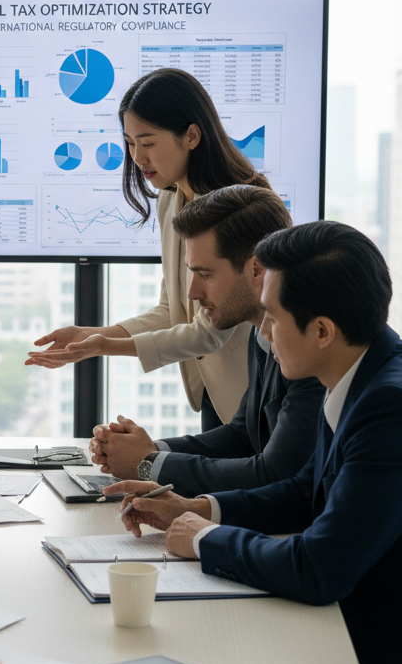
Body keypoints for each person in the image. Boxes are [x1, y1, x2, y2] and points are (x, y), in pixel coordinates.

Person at [115, 222, 402, 664]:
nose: (264, 333)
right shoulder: (356, 374)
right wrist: (201, 508)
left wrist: (203, 541)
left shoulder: (390, 405)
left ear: (322, 330)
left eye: (272, 317)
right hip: (342, 637)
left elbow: (320, 567)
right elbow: (307, 492)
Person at [27, 67, 273, 430]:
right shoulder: (170, 200)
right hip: (212, 392)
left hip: (251, 392)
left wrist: (101, 347)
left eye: (148, 142)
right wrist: (92, 333)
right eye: (129, 142)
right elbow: (171, 310)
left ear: (191, 135)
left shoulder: (236, 210)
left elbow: (207, 330)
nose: (137, 157)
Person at [89, 185, 324, 495]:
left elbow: (274, 473)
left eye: (205, 274)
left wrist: (148, 463)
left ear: (256, 269)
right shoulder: (262, 330)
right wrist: (146, 448)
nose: (193, 293)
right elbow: (242, 436)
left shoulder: (309, 345)